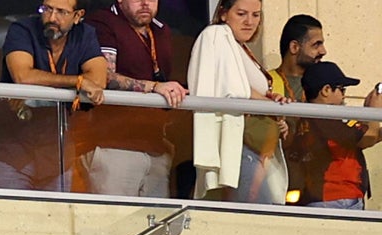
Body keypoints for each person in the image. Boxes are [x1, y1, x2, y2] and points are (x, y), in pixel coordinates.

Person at [0, 0, 108, 193]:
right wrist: (77, 81)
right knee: (9, 220)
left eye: (61, 12)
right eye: (47, 9)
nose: (52, 18)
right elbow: (23, 77)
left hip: (57, 156)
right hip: (13, 154)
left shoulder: (86, 34)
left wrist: (79, 82)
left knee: (55, 221)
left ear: (77, 16)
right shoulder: (23, 29)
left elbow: (98, 80)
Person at [187, 0, 287, 203]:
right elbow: (230, 87)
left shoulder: (239, 47)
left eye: (256, 15)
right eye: (241, 14)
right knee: (257, 219)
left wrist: (270, 99)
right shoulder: (216, 35)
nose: (249, 22)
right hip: (240, 145)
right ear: (224, 13)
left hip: (257, 148)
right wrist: (269, 106)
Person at [84, 0, 186, 199]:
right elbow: (103, 77)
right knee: (112, 225)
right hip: (114, 146)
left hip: (156, 147)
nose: (145, 3)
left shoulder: (161, 30)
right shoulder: (103, 22)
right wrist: (154, 87)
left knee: (156, 226)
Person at [290, 60, 381, 205]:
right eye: (342, 89)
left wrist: (369, 115)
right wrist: (374, 112)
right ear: (326, 90)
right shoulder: (324, 118)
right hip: (334, 198)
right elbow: (367, 138)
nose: (344, 96)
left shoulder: (318, 118)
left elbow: (365, 136)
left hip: (333, 198)